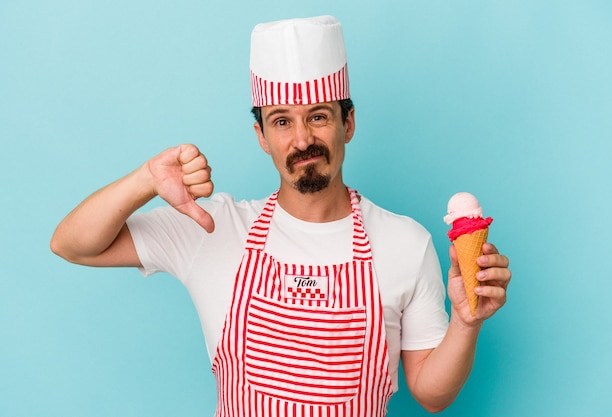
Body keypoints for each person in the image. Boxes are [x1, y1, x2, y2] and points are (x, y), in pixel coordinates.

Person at [51, 15, 511, 416]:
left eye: (318, 116)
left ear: (347, 123)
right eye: (282, 121)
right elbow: (71, 244)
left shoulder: (405, 243)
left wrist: (465, 322)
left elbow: (431, 394)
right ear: (262, 136)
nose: (302, 140)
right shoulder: (213, 227)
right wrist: (146, 180)